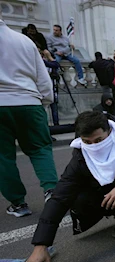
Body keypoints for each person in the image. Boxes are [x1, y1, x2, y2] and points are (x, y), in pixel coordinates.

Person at [21, 111, 115, 262]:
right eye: (87, 142)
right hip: (110, 188)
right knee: (78, 198)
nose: (94, 146)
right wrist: (41, 244)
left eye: (99, 141)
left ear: (109, 132)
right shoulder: (81, 154)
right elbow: (59, 198)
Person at [0, 13, 57, 217]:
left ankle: (18, 203)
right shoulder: (24, 40)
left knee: (3, 157)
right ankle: (52, 192)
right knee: (41, 149)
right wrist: (45, 101)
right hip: (29, 100)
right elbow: (42, 77)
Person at [38, 45, 61, 126]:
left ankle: (56, 125)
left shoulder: (47, 62)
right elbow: (54, 64)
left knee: (54, 108)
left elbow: (56, 65)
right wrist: (49, 57)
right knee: (45, 110)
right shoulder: (41, 62)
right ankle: (46, 127)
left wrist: (49, 56)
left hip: (51, 88)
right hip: (43, 90)